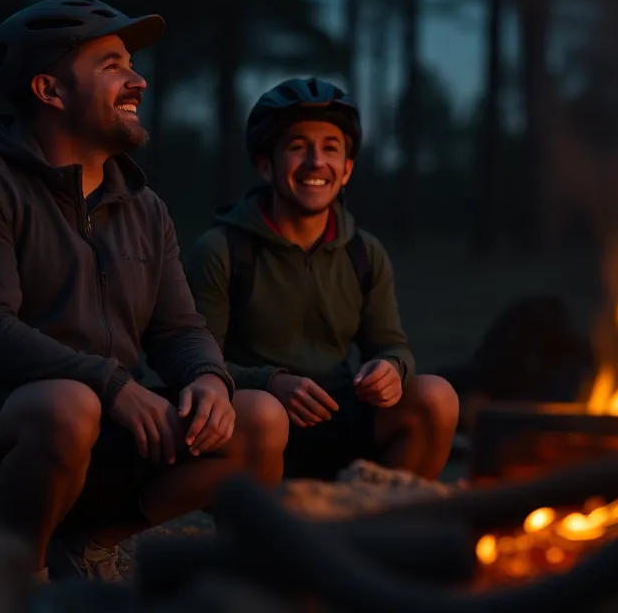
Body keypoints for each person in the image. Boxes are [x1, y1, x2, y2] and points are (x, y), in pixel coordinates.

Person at [0, 0, 289, 583]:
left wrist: (207, 377)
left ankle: (87, 547)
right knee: (66, 405)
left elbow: (178, 329)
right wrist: (109, 386)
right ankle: (19, 575)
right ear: (50, 90)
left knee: (258, 417)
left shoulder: (144, 207)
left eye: (130, 63)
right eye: (111, 65)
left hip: (100, 429)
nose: (137, 79)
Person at [183, 78, 459, 482]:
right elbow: (196, 363)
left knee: (437, 396)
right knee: (262, 414)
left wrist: (391, 368)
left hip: (340, 413)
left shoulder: (364, 252)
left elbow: (391, 344)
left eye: (331, 148)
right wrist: (272, 382)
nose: (316, 162)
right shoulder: (222, 250)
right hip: (258, 424)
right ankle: (263, 531)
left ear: (346, 169)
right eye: (298, 147)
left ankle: (386, 528)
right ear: (265, 164)